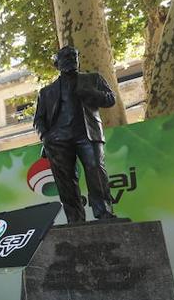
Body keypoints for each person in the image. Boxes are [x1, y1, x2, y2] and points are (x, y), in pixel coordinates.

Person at [33, 45, 119, 223]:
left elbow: (110, 99)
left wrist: (90, 93)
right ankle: (75, 219)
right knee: (65, 181)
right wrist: (46, 137)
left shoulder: (93, 79)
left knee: (96, 170)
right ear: (57, 64)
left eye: (73, 56)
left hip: (88, 134)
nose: (71, 59)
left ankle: (104, 212)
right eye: (65, 56)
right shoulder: (46, 92)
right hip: (58, 139)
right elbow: (38, 120)